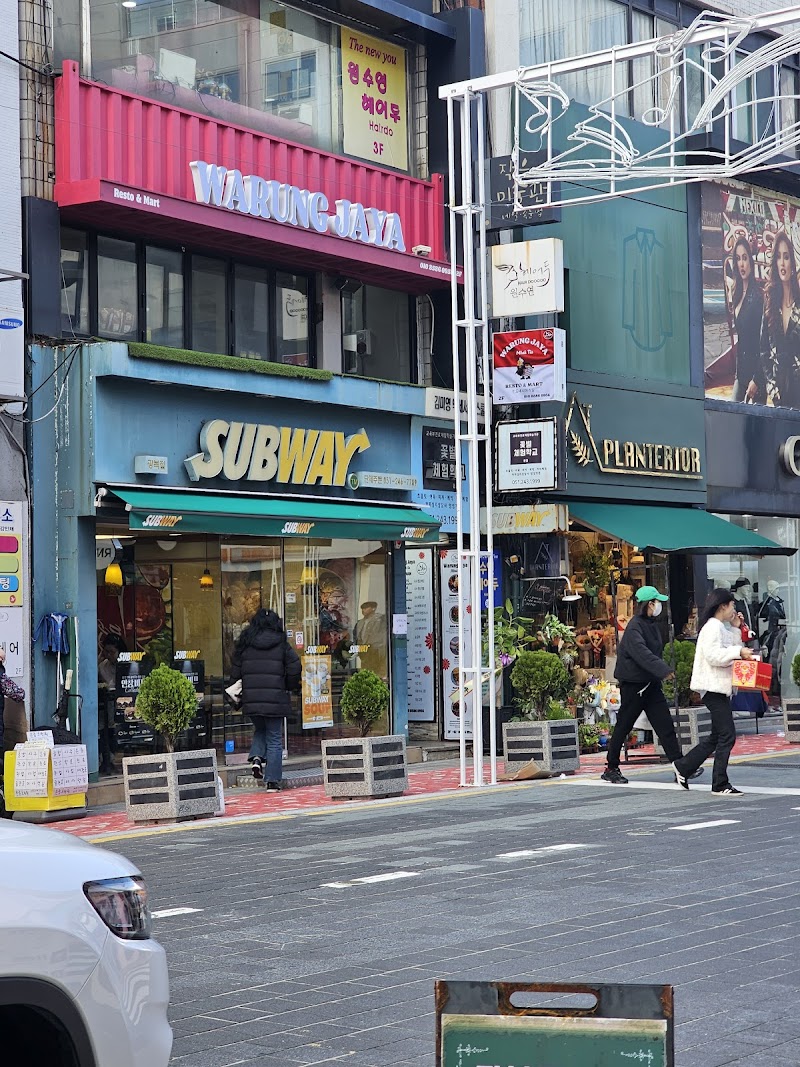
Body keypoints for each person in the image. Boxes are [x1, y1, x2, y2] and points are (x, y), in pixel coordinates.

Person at [601, 586, 700, 785]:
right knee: (624, 726)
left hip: (650, 682)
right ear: (649, 604)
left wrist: (659, 671)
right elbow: (641, 652)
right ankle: (611, 767)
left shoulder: (650, 624)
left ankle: (679, 766)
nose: (659, 606)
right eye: (656, 602)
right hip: (634, 685)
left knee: (665, 725)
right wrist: (663, 669)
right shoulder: (635, 626)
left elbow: (651, 653)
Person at [672, 589, 755, 796]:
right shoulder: (712, 627)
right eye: (732, 605)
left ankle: (684, 767)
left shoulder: (720, 627)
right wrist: (738, 652)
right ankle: (720, 784)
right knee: (727, 735)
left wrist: (737, 630)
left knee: (716, 736)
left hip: (718, 687)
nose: (734, 610)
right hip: (713, 687)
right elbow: (714, 656)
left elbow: (730, 649)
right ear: (722, 606)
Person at [229, 609, 301, 790]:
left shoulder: (245, 644)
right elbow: (295, 666)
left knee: (261, 729)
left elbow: (235, 671)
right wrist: (288, 685)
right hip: (275, 696)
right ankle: (272, 781)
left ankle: (256, 757)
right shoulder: (281, 643)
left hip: (252, 697)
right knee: (274, 738)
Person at [761, 231, 800, 409]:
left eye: (786, 257)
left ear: (792, 262)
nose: (782, 263)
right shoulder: (770, 303)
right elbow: (764, 350)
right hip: (779, 396)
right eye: (778, 257)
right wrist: (771, 387)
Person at [730, 237, 765, 403]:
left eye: (745, 258)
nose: (741, 264)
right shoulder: (736, 293)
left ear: (750, 260)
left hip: (756, 378)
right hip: (741, 374)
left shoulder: (758, 297)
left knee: (755, 428)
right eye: (738, 258)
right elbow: (741, 340)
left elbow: (764, 342)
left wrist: (757, 379)